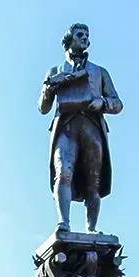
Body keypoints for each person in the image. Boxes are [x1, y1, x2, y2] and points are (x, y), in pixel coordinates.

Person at [39, 23, 123, 233]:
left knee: (92, 181)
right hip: (66, 127)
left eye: (87, 35)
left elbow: (117, 102)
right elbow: (43, 107)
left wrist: (102, 103)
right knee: (63, 172)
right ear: (69, 40)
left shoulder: (99, 71)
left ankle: (91, 229)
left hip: (91, 127)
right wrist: (50, 88)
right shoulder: (56, 71)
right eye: (80, 35)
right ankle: (63, 222)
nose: (85, 38)